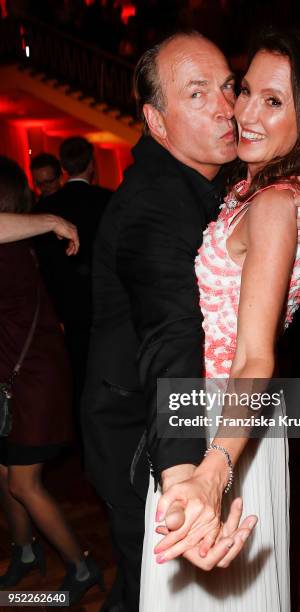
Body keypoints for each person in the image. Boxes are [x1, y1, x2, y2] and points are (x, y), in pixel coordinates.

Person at [81, 30, 300, 612]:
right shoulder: (156, 201)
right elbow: (171, 332)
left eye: (235, 88)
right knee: (147, 581)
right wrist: (185, 472)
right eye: (200, 94)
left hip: (228, 420)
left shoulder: (241, 184)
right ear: (156, 121)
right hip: (151, 425)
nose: (234, 109)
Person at [0, 156, 102, 605]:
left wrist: (51, 219)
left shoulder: (9, 247)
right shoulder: (15, 241)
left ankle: (82, 566)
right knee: (4, 472)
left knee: (22, 482)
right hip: (18, 376)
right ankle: (23, 552)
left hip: (33, 381)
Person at [36, 137, 112, 412]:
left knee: (76, 377)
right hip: (106, 304)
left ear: (64, 169)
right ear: (91, 165)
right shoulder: (109, 201)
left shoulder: (43, 211)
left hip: (65, 309)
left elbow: (43, 267)